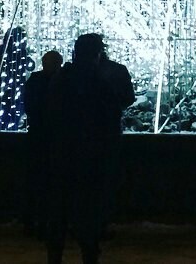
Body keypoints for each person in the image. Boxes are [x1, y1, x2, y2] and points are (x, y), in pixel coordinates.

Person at [46, 34, 134, 264]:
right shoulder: (100, 80)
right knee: (88, 212)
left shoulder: (62, 79)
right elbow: (113, 112)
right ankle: (89, 253)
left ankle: (55, 255)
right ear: (97, 54)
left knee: (59, 212)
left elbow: (50, 113)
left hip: (62, 154)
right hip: (91, 157)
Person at [23, 49, 63, 235]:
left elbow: (30, 106)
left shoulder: (35, 80)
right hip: (50, 136)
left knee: (38, 181)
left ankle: (36, 220)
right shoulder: (60, 82)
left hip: (39, 134)